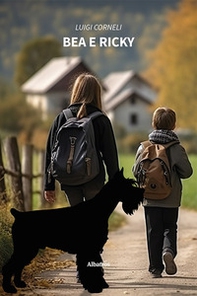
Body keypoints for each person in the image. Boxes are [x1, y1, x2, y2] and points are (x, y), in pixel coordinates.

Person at [132, 107, 193, 278]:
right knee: (169, 227)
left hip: (149, 198)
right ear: (173, 125)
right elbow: (187, 172)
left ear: (154, 123)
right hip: (171, 198)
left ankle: (155, 268)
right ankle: (168, 251)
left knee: (153, 231)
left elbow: (136, 170)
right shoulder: (176, 148)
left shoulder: (144, 146)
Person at [44, 73, 119, 206]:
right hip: (94, 178)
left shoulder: (62, 117)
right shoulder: (101, 120)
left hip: (68, 177)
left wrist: (48, 185)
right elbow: (110, 155)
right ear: (97, 93)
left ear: (76, 91)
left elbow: (50, 152)